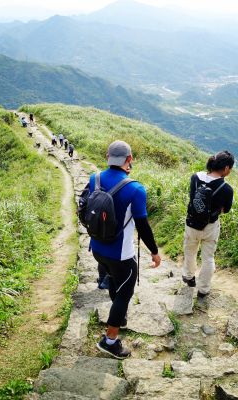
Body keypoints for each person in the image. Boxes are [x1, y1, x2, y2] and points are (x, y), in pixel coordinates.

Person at [87, 140, 161, 359]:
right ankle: (110, 341)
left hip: (97, 248)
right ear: (129, 160)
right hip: (121, 254)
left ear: (107, 156)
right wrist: (154, 251)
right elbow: (143, 226)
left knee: (114, 282)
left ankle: (117, 316)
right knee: (125, 292)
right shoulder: (135, 189)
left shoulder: (95, 179)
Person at [182, 151, 234, 301]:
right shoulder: (226, 189)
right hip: (210, 227)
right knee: (208, 258)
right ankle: (203, 290)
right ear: (225, 168)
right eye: (230, 168)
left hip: (191, 223)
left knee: (190, 251)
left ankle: (189, 277)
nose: (230, 171)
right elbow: (225, 210)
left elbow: (192, 197)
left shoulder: (195, 177)